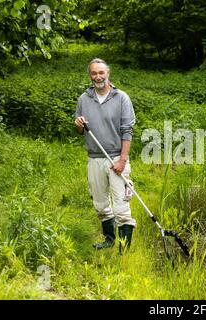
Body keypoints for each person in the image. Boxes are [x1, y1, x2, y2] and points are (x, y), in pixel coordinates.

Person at [74, 58, 136, 255]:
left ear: (108, 74)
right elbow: (79, 130)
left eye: (101, 72)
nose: (98, 76)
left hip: (116, 158)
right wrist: (78, 125)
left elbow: (127, 131)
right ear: (90, 75)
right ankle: (109, 239)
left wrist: (122, 160)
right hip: (94, 158)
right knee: (100, 204)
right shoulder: (84, 99)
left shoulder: (121, 98)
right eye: (94, 73)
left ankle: (123, 250)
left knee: (121, 208)